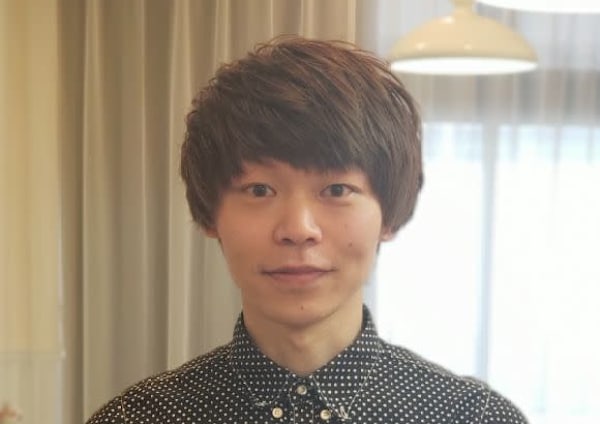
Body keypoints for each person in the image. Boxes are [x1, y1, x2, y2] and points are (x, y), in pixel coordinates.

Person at [87, 36, 527, 424]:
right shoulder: (136, 419)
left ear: (390, 214)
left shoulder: (474, 417)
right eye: (260, 190)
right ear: (209, 215)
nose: (298, 229)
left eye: (337, 189)